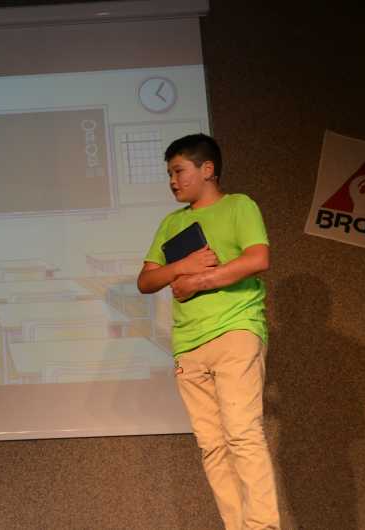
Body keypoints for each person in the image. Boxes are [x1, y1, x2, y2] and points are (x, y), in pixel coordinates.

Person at [137, 134, 280, 529]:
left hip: (235, 329)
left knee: (242, 432)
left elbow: (258, 258)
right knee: (212, 445)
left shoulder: (239, 205)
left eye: (179, 171)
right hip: (189, 343)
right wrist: (182, 266)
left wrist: (201, 280)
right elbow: (146, 281)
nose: (172, 181)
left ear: (208, 169)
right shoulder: (172, 223)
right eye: (169, 174)